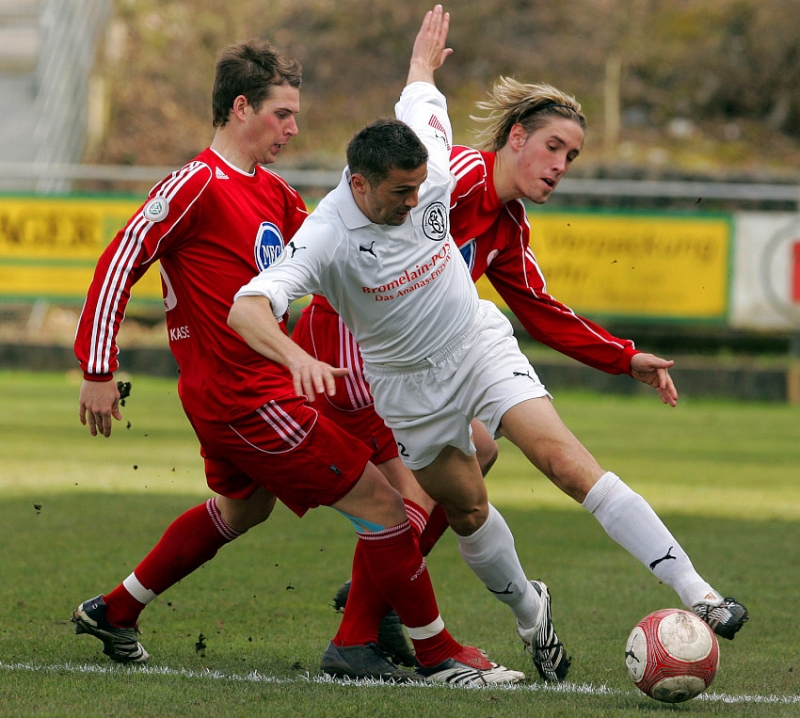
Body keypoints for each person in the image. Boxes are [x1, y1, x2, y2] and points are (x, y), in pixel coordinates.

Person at [229, 4, 749, 685]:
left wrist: (422, 62)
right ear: (359, 186)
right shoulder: (330, 233)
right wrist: (297, 356)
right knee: (466, 505)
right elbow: (250, 305)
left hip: (475, 344)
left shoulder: (438, 169)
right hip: (406, 385)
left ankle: (702, 596)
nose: (418, 206)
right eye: (553, 147)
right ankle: (533, 617)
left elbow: (422, 98)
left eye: (423, 191)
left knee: (566, 461)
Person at [71, 29, 523, 687]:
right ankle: (434, 653)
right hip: (247, 397)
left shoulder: (274, 194)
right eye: (281, 113)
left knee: (242, 511)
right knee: (389, 506)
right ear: (240, 110)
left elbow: (337, 263)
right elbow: (121, 258)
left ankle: (115, 610)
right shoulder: (197, 184)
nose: (293, 125)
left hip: (253, 391)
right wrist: (97, 370)